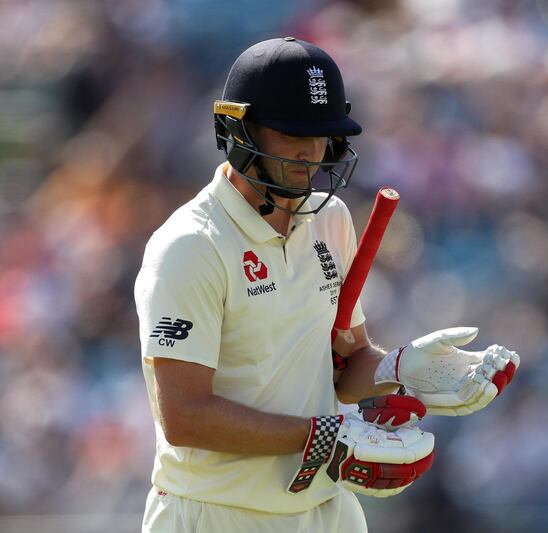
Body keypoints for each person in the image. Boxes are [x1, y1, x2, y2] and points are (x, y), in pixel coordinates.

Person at [134, 36, 520, 533]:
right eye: (293, 133)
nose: (311, 153)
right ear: (239, 129)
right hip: (214, 514)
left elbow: (343, 364)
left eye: (323, 135)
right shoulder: (191, 245)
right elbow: (185, 416)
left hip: (323, 510)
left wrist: (403, 369)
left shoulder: (329, 218)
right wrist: (324, 438)